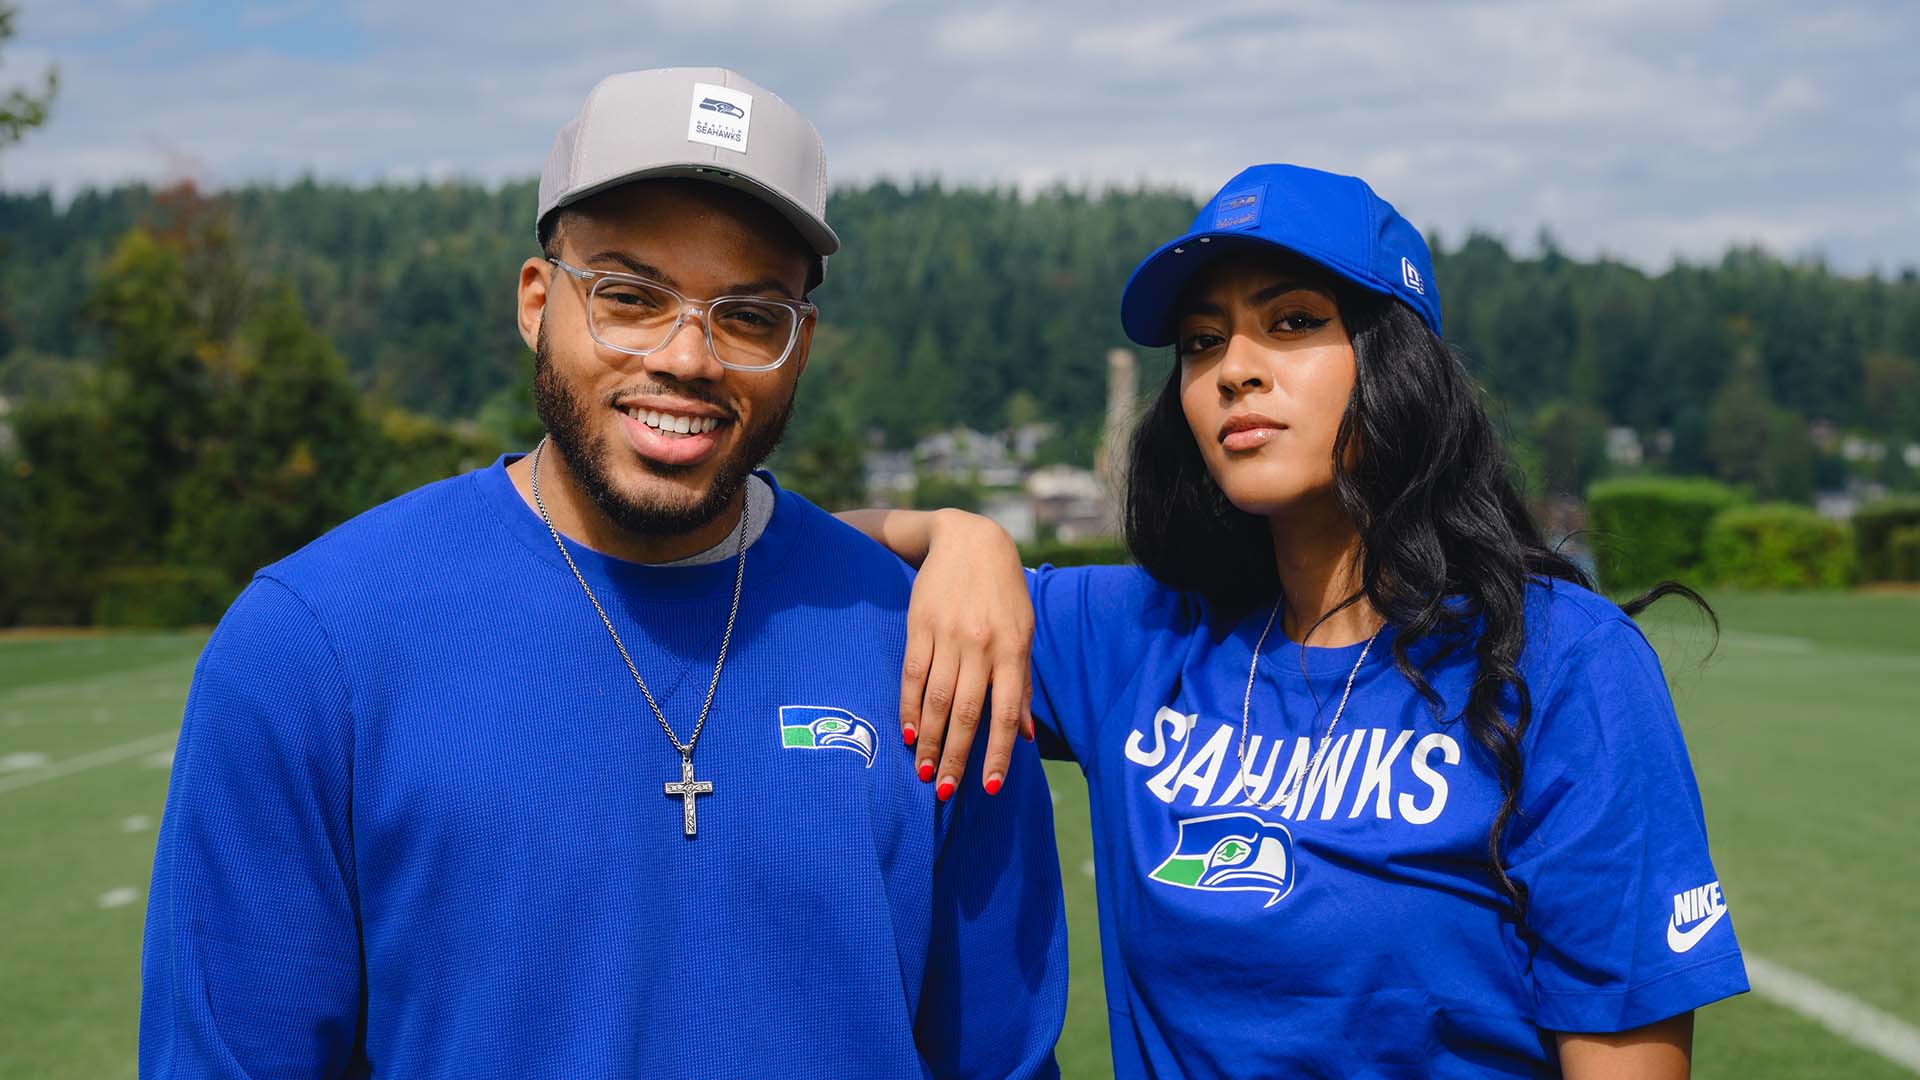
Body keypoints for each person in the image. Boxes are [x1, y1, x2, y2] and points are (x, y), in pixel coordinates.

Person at [139, 67, 1067, 1080]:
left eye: (750, 314)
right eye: (629, 297)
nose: (687, 356)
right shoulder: (314, 641)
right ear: (538, 304)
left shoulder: (938, 642)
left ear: (801, 345)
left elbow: (1004, 1062)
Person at [846, 163, 1748, 1078]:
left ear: (1396, 359)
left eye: (1293, 323)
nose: (1235, 370)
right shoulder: (1132, 636)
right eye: (1202, 343)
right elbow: (784, 555)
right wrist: (956, 537)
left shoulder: (1563, 664)